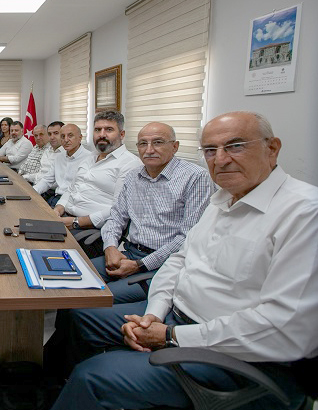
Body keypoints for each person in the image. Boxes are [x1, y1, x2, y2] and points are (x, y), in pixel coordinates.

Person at [49, 111, 318, 410]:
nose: (221, 159)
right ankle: (61, 388)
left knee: (94, 377)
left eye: (235, 146)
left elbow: (285, 329)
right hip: (174, 316)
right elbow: (179, 260)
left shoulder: (305, 213)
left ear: (272, 148)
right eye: (210, 150)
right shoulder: (225, 199)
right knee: (80, 315)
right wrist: (154, 313)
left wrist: (170, 335)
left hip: (236, 356)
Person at [91, 122, 213, 303]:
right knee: (72, 277)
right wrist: (110, 248)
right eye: (142, 144)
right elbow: (116, 216)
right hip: (128, 253)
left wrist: (140, 265)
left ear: (175, 146)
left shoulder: (196, 177)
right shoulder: (133, 176)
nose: (149, 150)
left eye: (157, 142)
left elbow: (187, 237)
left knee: (94, 298)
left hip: (163, 265)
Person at [54, 111, 142, 258]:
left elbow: (119, 209)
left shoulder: (130, 164)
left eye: (109, 129)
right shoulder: (89, 157)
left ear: (121, 134)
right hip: (65, 217)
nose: (102, 134)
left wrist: (77, 222)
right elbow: (71, 188)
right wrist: (58, 208)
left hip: (88, 231)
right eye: (97, 130)